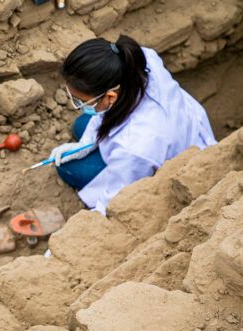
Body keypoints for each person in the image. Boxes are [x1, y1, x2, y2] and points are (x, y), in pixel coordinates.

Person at [49, 35, 216, 215]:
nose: (75, 104)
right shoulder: (136, 61)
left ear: (111, 97)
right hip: (182, 122)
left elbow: (115, 199)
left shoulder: (135, 148)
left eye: (80, 100)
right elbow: (101, 117)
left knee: (68, 168)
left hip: (172, 157)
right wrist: (85, 143)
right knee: (82, 125)